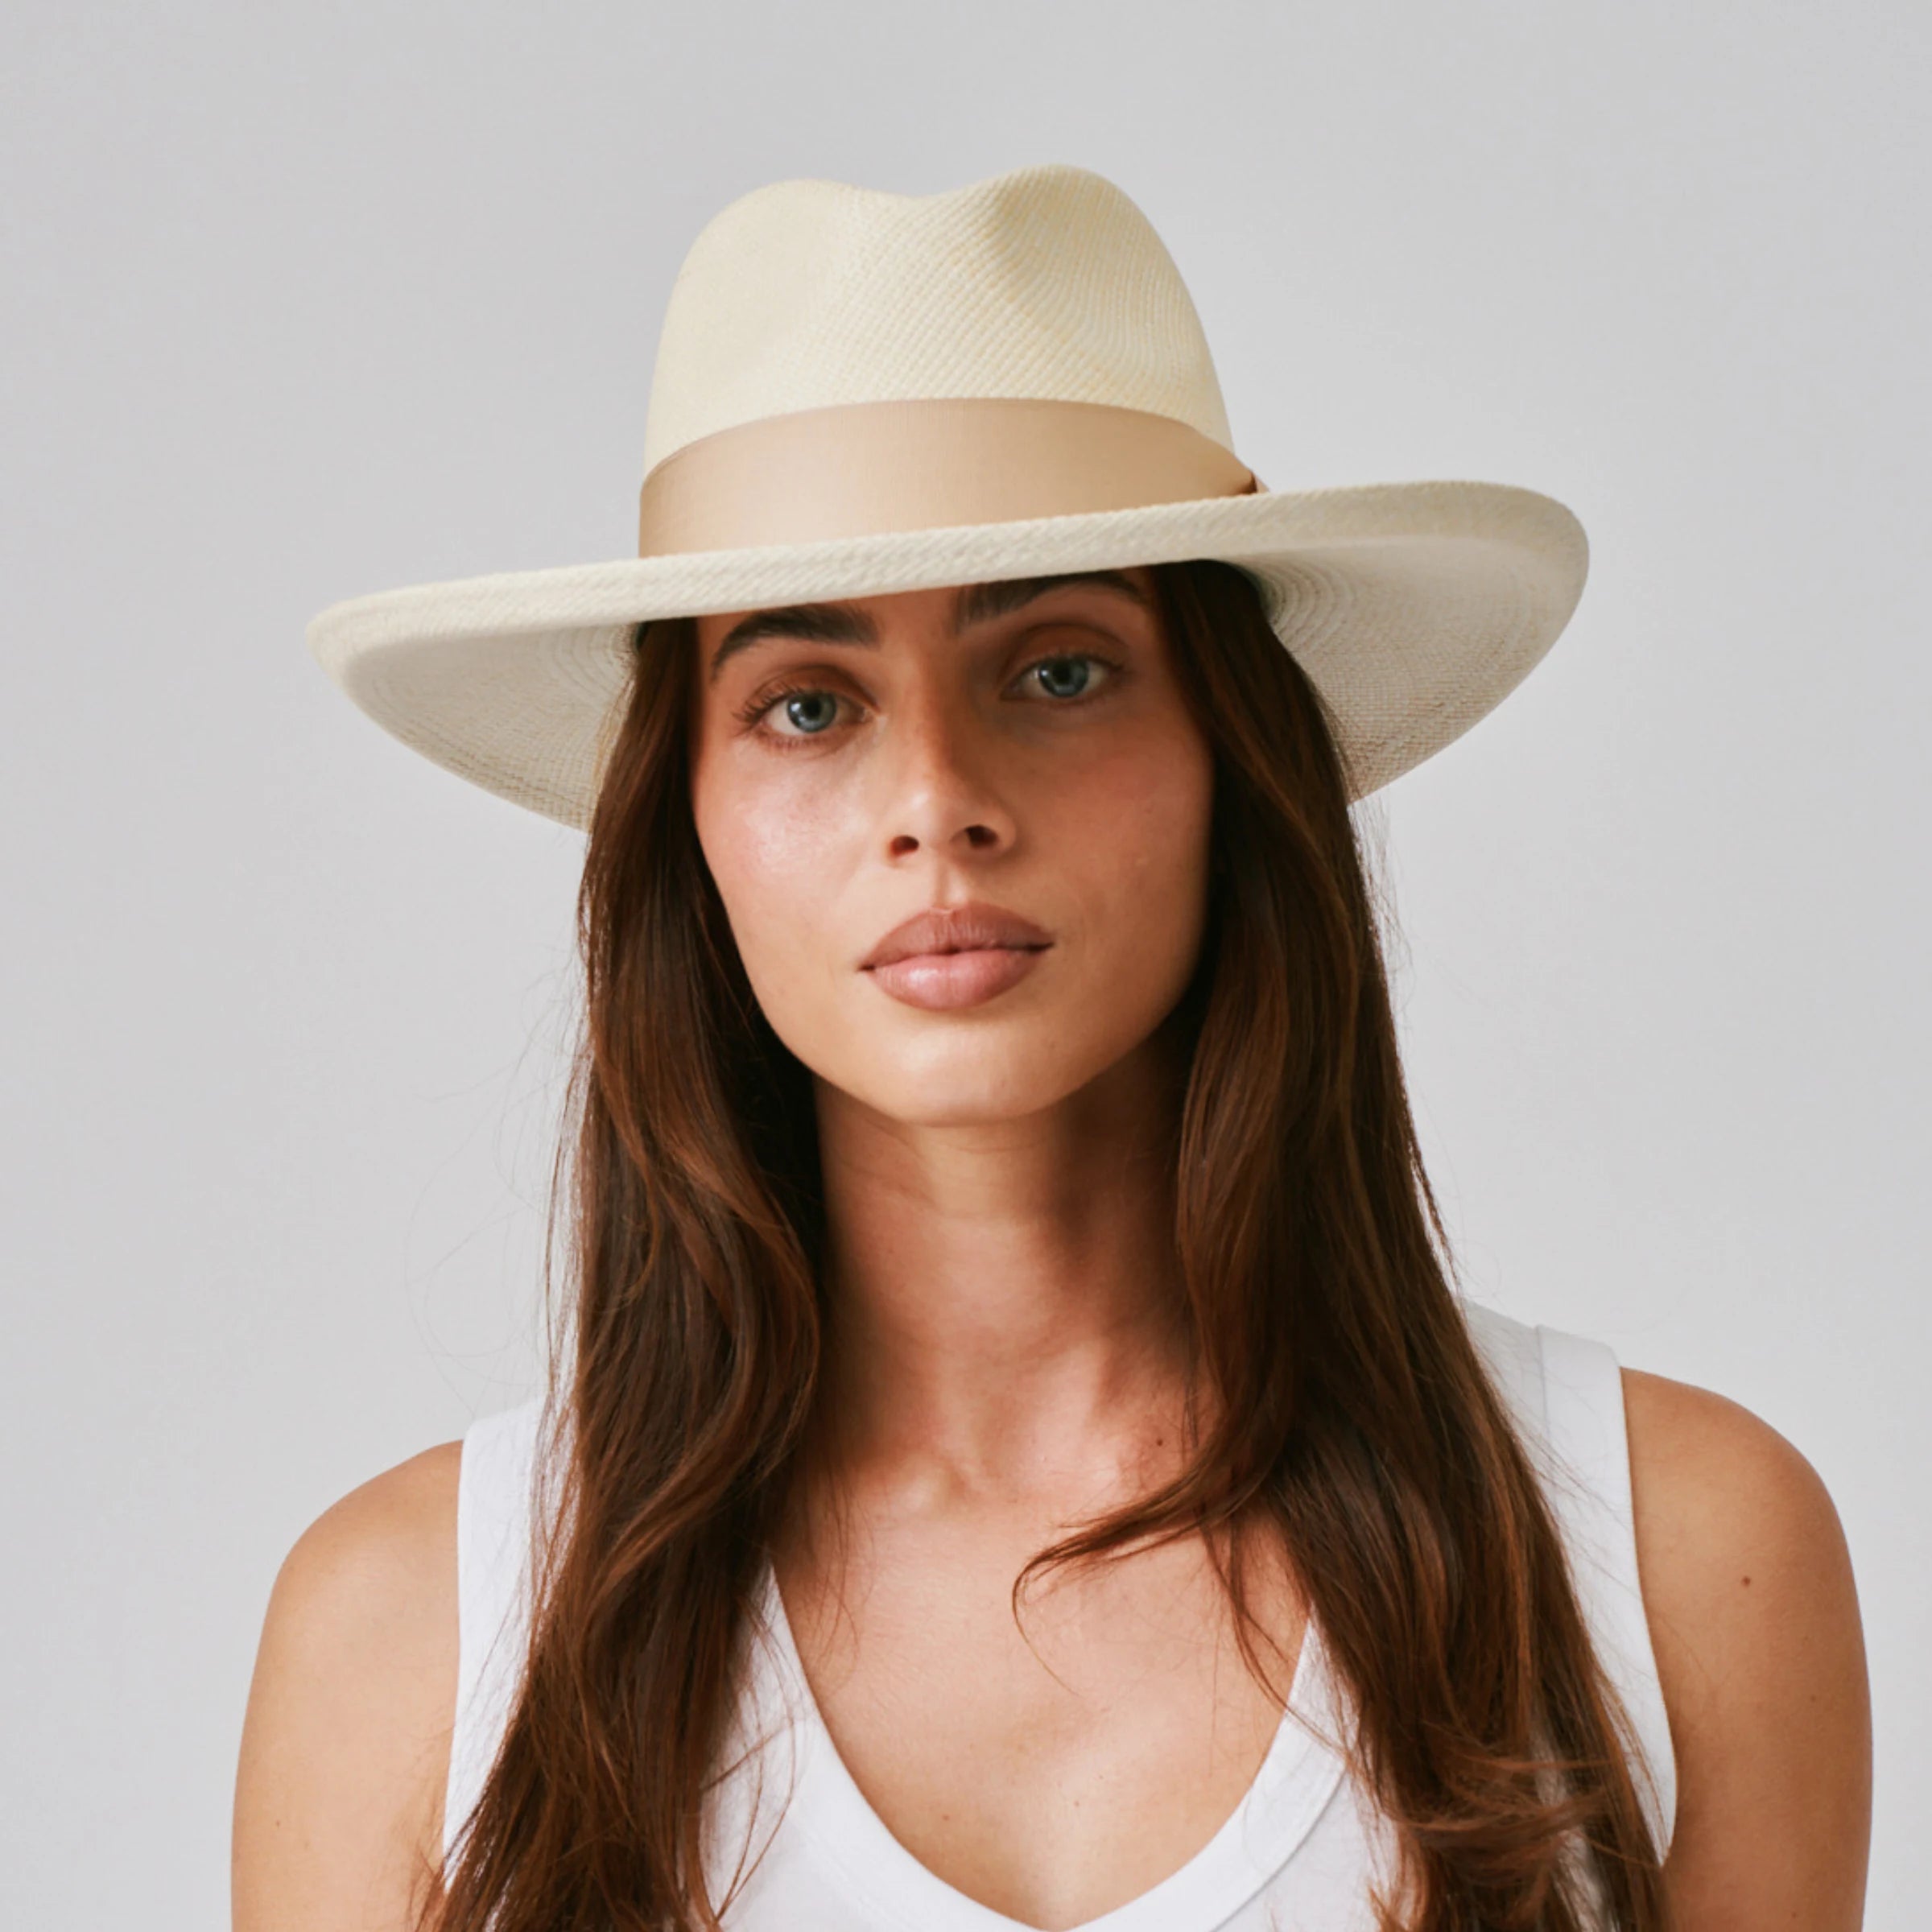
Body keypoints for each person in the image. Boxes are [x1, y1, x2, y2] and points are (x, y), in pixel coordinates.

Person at [233, 165, 1871, 1932]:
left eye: (1062, 670)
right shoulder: (416, 1639)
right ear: (683, 822)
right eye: (806, 702)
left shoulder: (1682, 1560)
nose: (938, 802)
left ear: (1233, 754)